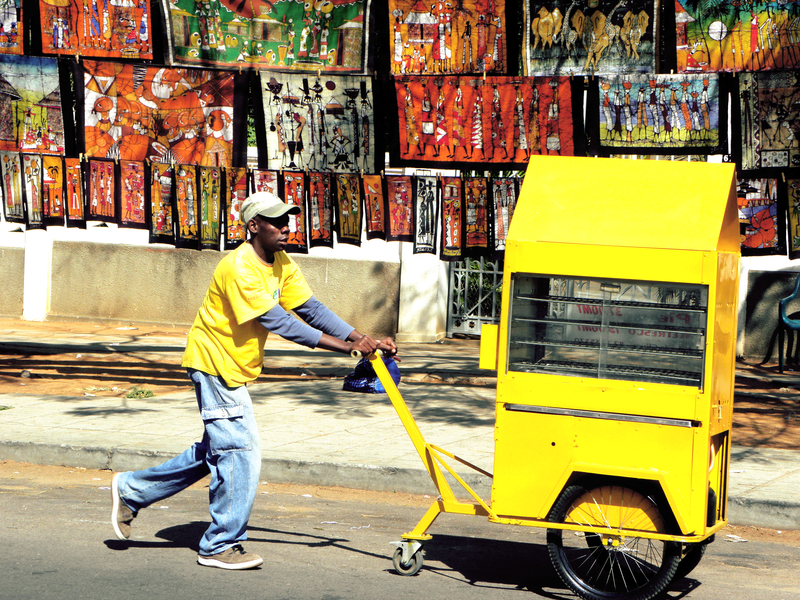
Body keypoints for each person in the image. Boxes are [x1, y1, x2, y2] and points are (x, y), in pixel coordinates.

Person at [110, 191, 397, 570]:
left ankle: (132, 490)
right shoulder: (239, 267)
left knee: (219, 450)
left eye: (287, 219)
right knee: (240, 453)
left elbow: (310, 309)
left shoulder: (280, 262)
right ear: (253, 226)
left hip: (235, 366)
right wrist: (348, 349)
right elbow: (279, 321)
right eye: (276, 221)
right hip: (214, 363)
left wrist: (362, 338)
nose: (285, 226)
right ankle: (219, 544)